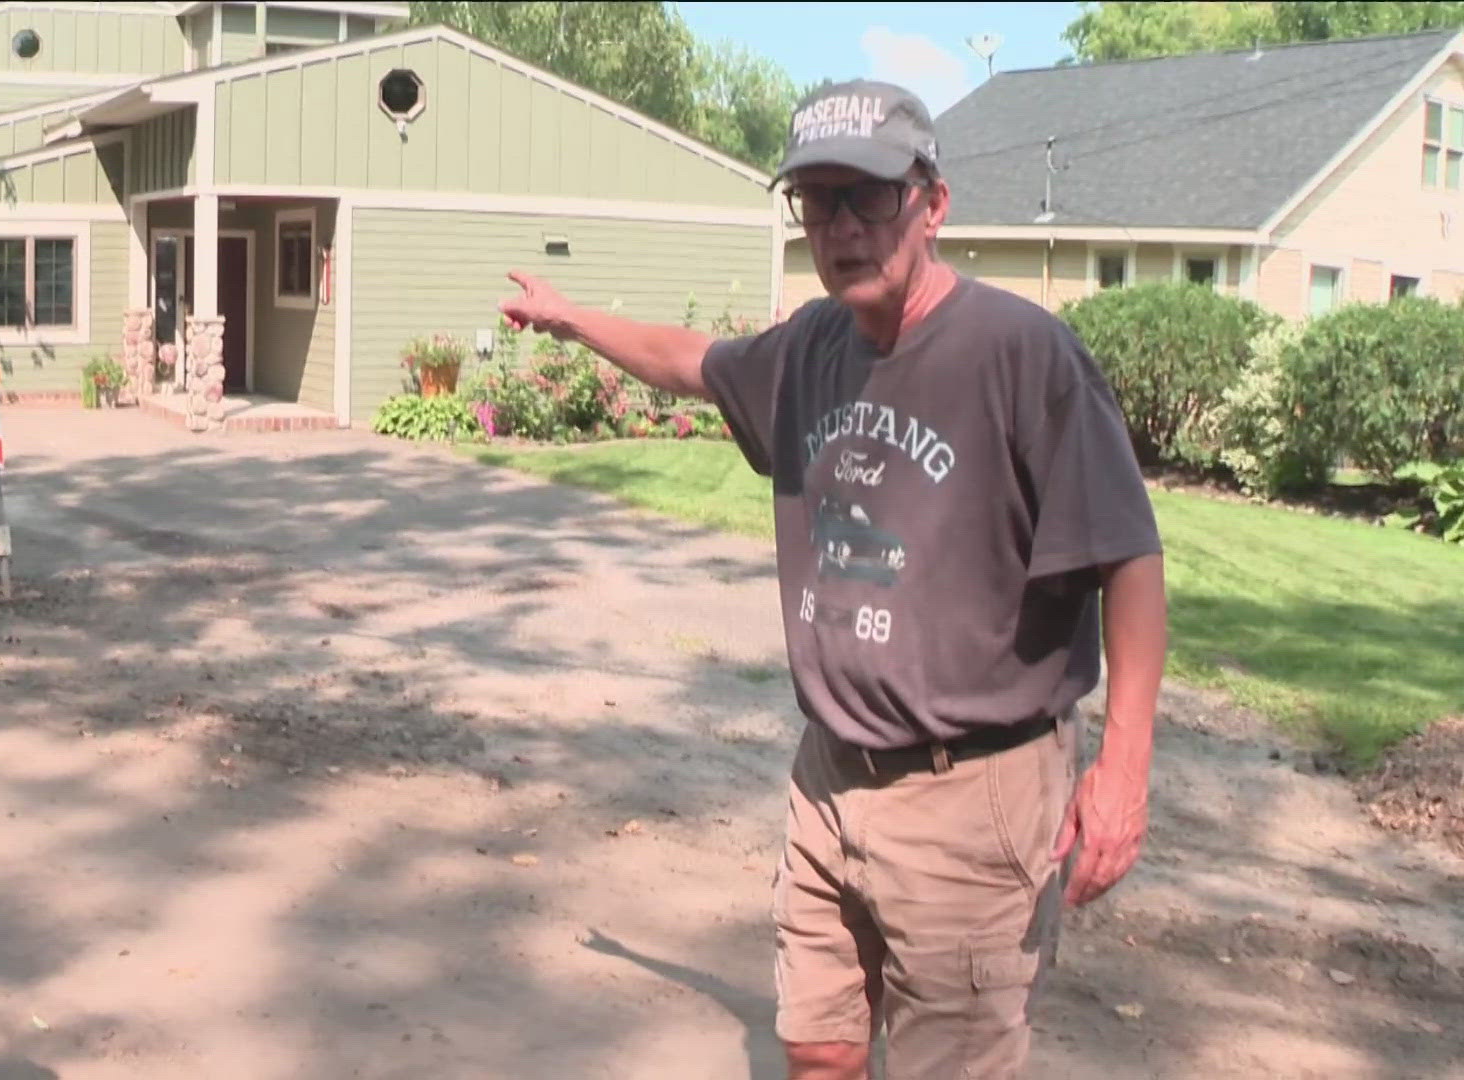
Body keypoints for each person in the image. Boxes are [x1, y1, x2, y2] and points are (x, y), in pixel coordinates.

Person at [498, 79, 1167, 1079]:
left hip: (971, 797)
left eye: (870, 198)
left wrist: (1124, 770)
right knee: (817, 1049)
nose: (844, 227)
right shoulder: (811, 347)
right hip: (829, 777)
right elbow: (691, 360)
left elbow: (1130, 555)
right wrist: (570, 319)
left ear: (931, 204)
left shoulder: (1024, 356)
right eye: (818, 201)